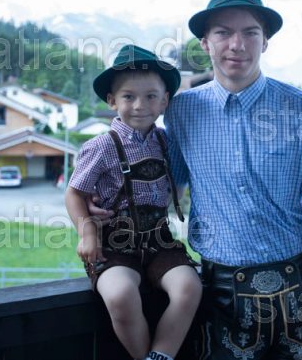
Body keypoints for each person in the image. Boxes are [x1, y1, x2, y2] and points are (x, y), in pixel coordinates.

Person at [164, 0, 302, 360]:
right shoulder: (181, 112)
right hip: (217, 295)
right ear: (205, 43)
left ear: (265, 42)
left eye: (250, 32)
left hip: (299, 289)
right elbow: (166, 193)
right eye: (223, 33)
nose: (237, 44)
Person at [65, 44, 202, 360]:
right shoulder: (101, 146)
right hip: (113, 244)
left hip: (159, 241)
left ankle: (161, 355)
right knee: (121, 294)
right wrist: (87, 232)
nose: (140, 105)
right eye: (128, 96)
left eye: (151, 96)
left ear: (165, 101)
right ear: (112, 101)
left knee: (189, 287)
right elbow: (74, 193)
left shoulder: (166, 141)